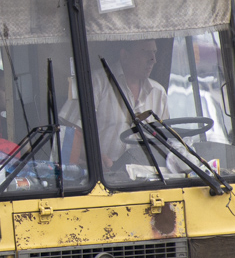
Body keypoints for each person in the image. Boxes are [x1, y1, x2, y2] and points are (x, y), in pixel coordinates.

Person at [64, 39, 169, 168]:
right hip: (102, 178)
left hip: (147, 179)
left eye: (154, 52)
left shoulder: (159, 93)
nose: (153, 60)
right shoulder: (95, 83)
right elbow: (70, 133)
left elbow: (165, 140)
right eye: (146, 53)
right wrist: (95, 157)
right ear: (125, 55)